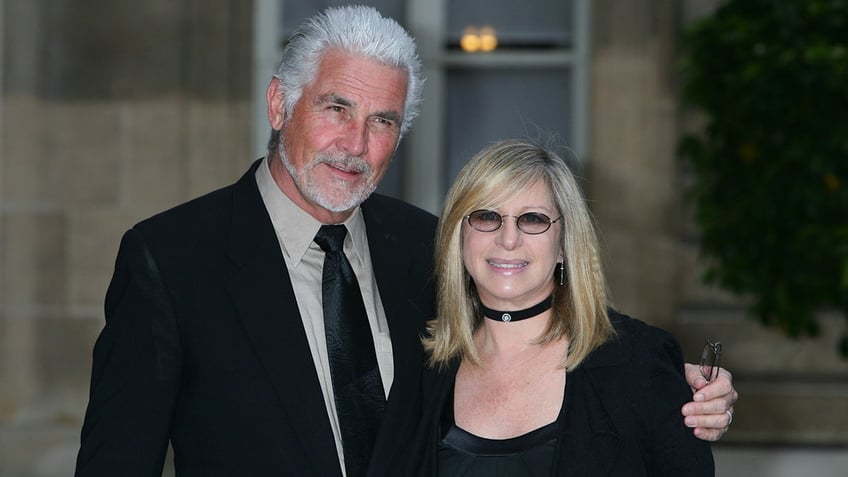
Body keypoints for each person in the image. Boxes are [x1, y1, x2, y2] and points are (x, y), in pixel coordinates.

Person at [74, 5, 734, 477]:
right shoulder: (170, 258)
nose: (356, 143)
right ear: (280, 105)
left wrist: (669, 383)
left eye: (383, 120)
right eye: (336, 108)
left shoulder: (424, 246)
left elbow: (533, 321)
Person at [386, 139, 715, 475]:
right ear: (460, 237)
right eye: (487, 216)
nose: (508, 239)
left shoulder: (638, 362)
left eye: (532, 219)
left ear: (563, 245)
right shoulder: (422, 373)